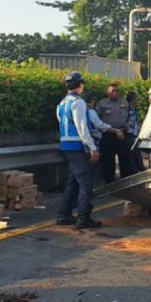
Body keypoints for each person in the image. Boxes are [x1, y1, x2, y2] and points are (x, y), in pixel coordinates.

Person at [56, 72, 102, 229]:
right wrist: (92, 147)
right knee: (85, 182)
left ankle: (64, 214)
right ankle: (83, 217)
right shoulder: (79, 103)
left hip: (66, 145)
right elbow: (82, 127)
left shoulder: (62, 104)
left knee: (73, 181)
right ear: (80, 84)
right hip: (78, 146)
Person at [95, 83, 135, 183]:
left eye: (117, 91)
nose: (115, 93)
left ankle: (125, 182)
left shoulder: (124, 102)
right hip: (109, 135)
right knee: (108, 161)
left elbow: (130, 116)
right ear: (107, 92)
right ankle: (110, 183)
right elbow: (96, 120)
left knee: (125, 159)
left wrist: (129, 123)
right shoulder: (102, 104)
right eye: (113, 91)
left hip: (122, 134)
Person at [125, 91, 145, 171]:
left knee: (137, 152)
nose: (138, 101)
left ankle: (140, 168)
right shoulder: (127, 109)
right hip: (129, 134)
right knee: (132, 153)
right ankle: (134, 170)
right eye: (136, 99)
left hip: (134, 134)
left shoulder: (134, 109)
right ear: (133, 99)